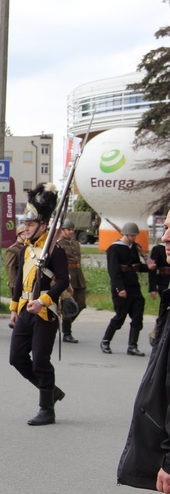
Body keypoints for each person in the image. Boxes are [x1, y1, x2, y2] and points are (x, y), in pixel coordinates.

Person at [8, 183, 69, 426]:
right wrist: (14, 308)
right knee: (17, 358)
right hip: (25, 309)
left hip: (45, 311)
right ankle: (51, 391)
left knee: (41, 360)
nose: (25, 228)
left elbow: (64, 281)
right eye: (26, 224)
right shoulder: (27, 250)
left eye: (30, 225)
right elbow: (19, 281)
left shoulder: (55, 250)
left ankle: (47, 409)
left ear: (43, 225)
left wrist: (43, 300)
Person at [117, 209, 170, 490]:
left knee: (135, 320)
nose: (165, 236)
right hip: (128, 289)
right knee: (122, 319)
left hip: (136, 288)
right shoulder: (118, 250)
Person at [101, 222, 156, 356]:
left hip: (134, 287)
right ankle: (105, 341)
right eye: (132, 235)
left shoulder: (133, 248)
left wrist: (147, 268)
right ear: (126, 234)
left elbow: (135, 266)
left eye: (135, 235)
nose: (134, 237)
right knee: (120, 317)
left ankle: (132, 346)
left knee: (137, 317)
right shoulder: (114, 248)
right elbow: (113, 271)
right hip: (121, 287)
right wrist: (120, 288)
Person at [57, 219, 87, 343]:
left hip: (78, 277)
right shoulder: (59, 245)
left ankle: (64, 324)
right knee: (69, 305)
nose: (70, 232)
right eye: (68, 229)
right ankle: (67, 333)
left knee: (81, 304)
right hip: (68, 277)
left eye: (72, 229)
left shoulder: (75, 244)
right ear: (62, 230)